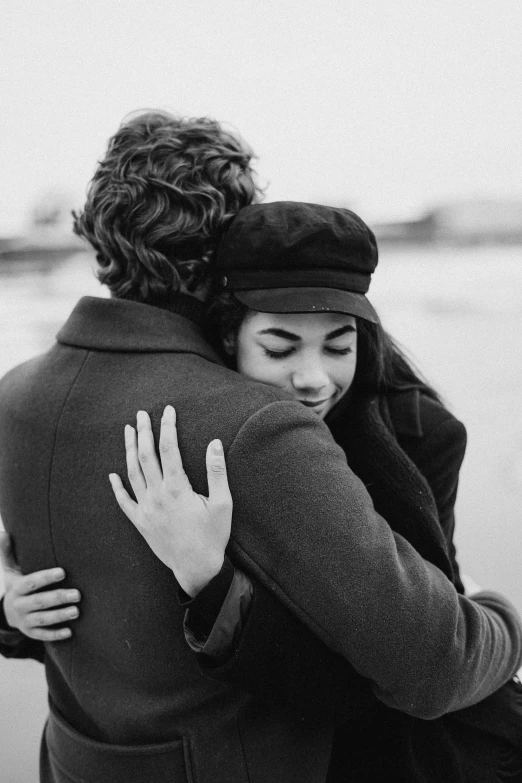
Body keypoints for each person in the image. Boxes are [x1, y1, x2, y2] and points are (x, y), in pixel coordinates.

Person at [0, 170, 521, 783]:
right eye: (280, 347)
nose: (313, 379)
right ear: (226, 334)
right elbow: (104, 614)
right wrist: (12, 612)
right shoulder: (239, 426)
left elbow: (402, 661)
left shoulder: (416, 433)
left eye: (338, 345)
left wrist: (492, 612)